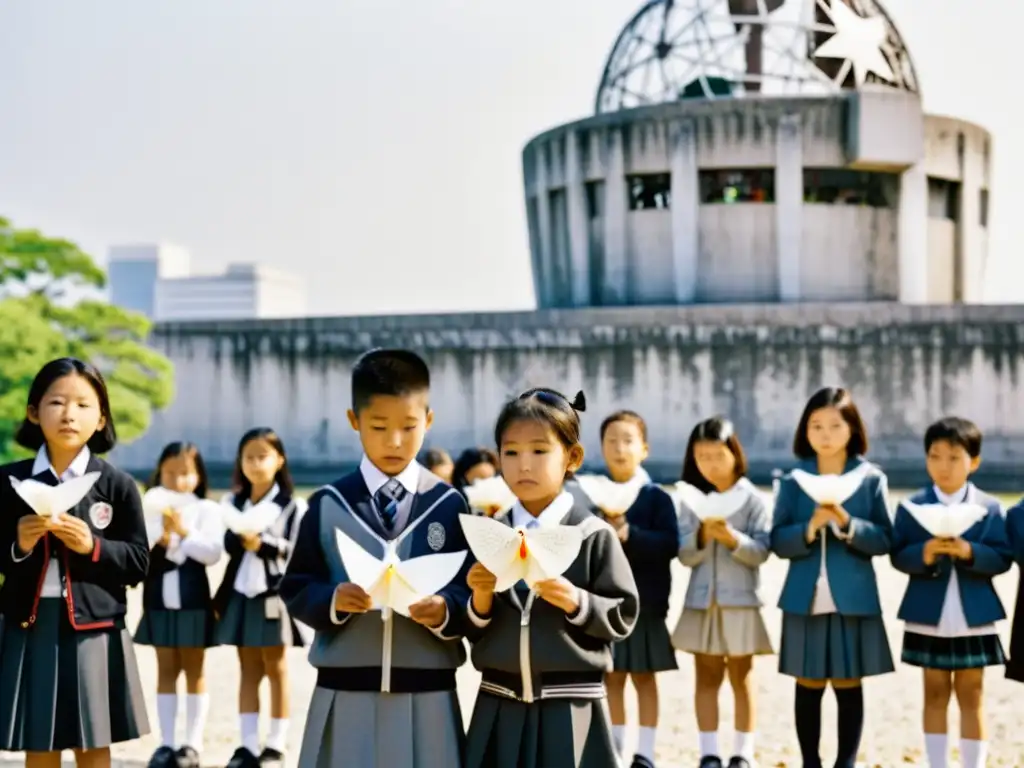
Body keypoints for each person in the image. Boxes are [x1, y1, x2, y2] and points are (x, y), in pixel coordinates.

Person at [280, 348, 473, 768]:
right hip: (345, 688)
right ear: (354, 421)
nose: (395, 441)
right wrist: (332, 600)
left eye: (409, 426)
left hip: (429, 690)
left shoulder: (450, 505)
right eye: (379, 426)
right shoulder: (328, 504)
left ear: (429, 420)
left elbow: (470, 590)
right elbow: (296, 584)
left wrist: (446, 610)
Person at [463, 388, 640, 768]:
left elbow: (623, 614)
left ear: (572, 457)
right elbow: (475, 628)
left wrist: (577, 601)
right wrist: (479, 599)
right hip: (499, 701)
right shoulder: (490, 533)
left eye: (539, 451)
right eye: (511, 452)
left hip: (572, 705)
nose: (523, 465)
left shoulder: (593, 534)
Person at [0, 357, 150, 768]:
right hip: (29, 622)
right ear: (33, 412)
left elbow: (139, 562)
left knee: (92, 741)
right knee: (40, 741)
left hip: (95, 627)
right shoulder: (8, 482)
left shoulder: (116, 485)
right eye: (56, 402)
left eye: (84, 405)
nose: (69, 414)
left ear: (102, 418)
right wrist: (19, 544)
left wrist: (93, 547)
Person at [771, 386, 894, 768]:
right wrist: (808, 528)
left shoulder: (870, 479)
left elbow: (886, 539)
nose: (825, 434)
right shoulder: (793, 481)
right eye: (816, 425)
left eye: (835, 425)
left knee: (847, 681)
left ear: (853, 429)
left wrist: (847, 523)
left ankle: (847, 762)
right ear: (804, 431)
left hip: (853, 594)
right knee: (807, 682)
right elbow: (777, 539)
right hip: (804, 594)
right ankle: (810, 761)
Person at [891, 417, 1012, 768]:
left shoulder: (988, 507)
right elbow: (898, 554)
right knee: (934, 692)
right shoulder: (912, 506)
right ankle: (937, 764)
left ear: (974, 461)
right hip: (928, 611)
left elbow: (1002, 557)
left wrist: (970, 552)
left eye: (954, 457)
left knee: (972, 694)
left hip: (974, 613)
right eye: (935, 456)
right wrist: (924, 554)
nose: (943, 466)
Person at [574, 410, 677, 768]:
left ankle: (645, 752)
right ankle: (616, 750)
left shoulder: (655, 497)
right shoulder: (592, 495)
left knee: (645, 678)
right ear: (601, 448)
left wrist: (631, 534)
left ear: (644, 449)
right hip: (604, 603)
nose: (620, 448)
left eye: (628, 440)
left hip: (646, 603)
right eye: (611, 441)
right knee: (612, 677)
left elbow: (669, 545)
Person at [674, 417, 772, 768]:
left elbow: (762, 550)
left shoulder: (751, 498)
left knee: (742, 677)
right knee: (706, 676)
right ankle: (709, 752)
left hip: (741, 600)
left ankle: (743, 753)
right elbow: (684, 554)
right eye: (702, 457)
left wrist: (733, 539)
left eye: (717, 455)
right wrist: (701, 536)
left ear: (734, 453)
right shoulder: (689, 498)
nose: (710, 464)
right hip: (702, 600)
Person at [213, 428, 308, 768]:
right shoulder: (233, 503)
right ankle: (248, 746)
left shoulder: (291, 506)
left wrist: (264, 545)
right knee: (247, 668)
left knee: (277, 668)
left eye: (262, 456)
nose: (255, 463)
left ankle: (276, 745)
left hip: (273, 595)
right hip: (240, 592)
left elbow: (297, 552)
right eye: (248, 457)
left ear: (279, 459)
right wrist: (239, 540)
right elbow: (224, 545)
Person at [135, 441, 223, 768]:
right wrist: (160, 538)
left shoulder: (206, 509)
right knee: (166, 669)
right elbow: (139, 554)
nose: (177, 480)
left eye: (185, 473)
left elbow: (212, 554)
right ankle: (167, 743)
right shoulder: (150, 508)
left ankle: (192, 744)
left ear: (198, 475)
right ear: (160, 472)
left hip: (192, 599)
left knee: (195, 670)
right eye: (169, 473)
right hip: (158, 598)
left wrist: (184, 533)